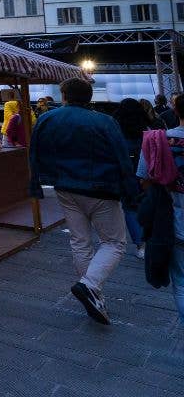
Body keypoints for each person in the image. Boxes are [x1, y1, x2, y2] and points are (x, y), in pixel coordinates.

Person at [29, 77, 138, 325]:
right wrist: (131, 192)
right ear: (89, 97)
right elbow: (122, 157)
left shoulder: (47, 118)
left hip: (64, 186)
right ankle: (90, 285)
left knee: (80, 240)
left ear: (64, 95)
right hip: (101, 187)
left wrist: (36, 183)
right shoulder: (104, 121)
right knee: (114, 242)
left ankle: (91, 290)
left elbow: (34, 153)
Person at [135, 95, 184, 323]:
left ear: (175, 110)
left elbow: (144, 180)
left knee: (182, 282)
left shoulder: (156, 141)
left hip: (172, 221)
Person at [111, 98, 150, 258]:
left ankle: (141, 245)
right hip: (148, 175)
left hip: (126, 176)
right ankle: (152, 240)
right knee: (149, 206)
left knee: (130, 209)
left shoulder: (116, 129)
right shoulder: (147, 129)